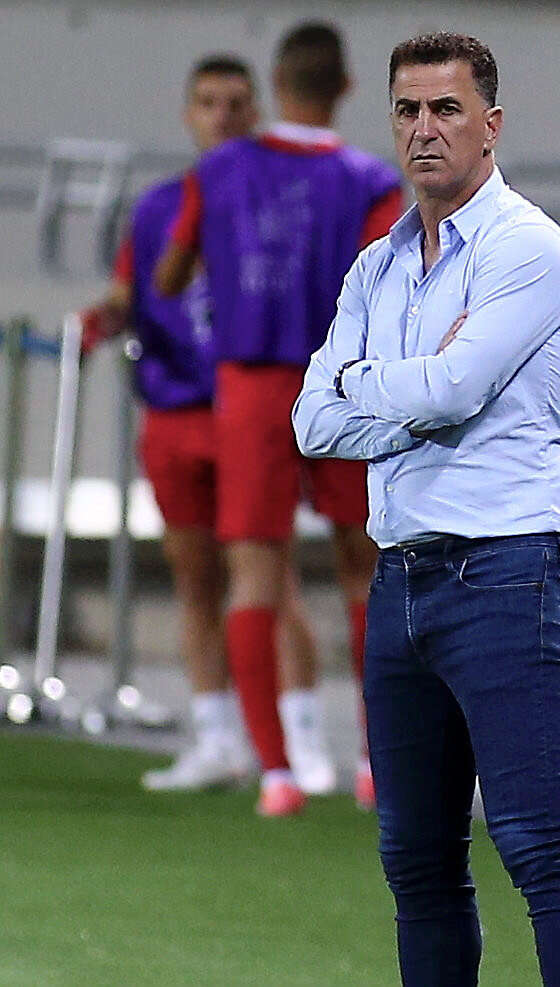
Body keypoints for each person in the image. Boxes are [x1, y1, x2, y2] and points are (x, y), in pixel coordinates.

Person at [293, 32, 560, 986]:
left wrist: (366, 381)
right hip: (400, 577)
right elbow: (311, 422)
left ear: (491, 125)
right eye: (407, 110)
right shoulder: (376, 267)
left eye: (446, 109)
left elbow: (454, 389)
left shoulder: (528, 248)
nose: (423, 129)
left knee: (536, 842)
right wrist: (413, 386)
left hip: (505, 571)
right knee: (416, 862)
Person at [155, 24, 403, 816]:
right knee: (366, 566)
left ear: (275, 84)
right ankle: (375, 763)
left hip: (252, 387)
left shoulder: (219, 170)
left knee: (254, 573)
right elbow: (391, 286)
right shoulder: (371, 181)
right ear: (347, 87)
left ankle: (277, 773)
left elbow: (169, 276)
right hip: (342, 383)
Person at [82, 55, 334, 796]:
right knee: (194, 579)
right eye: (207, 102)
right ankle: (217, 735)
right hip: (176, 412)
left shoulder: (280, 197)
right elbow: (129, 291)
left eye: (235, 102)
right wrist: (100, 319)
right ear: (188, 114)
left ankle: (300, 738)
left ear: (256, 112)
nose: (221, 115)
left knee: (269, 576)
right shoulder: (158, 208)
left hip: (248, 410)